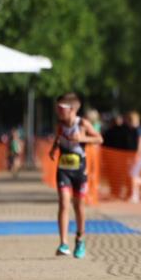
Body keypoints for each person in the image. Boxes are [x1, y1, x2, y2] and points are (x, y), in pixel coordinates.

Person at [49, 92, 103, 258]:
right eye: (57, 108)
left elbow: (99, 139)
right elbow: (58, 138)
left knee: (78, 206)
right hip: (63, 169)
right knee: (64, 203)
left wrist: (82, 138)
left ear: (72, 109)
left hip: (80, 170)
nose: (58, 111)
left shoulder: (82, 123)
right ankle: (63, 243)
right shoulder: (60, 125)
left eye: (61, 108)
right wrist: (53, 149)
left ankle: (80, 239)